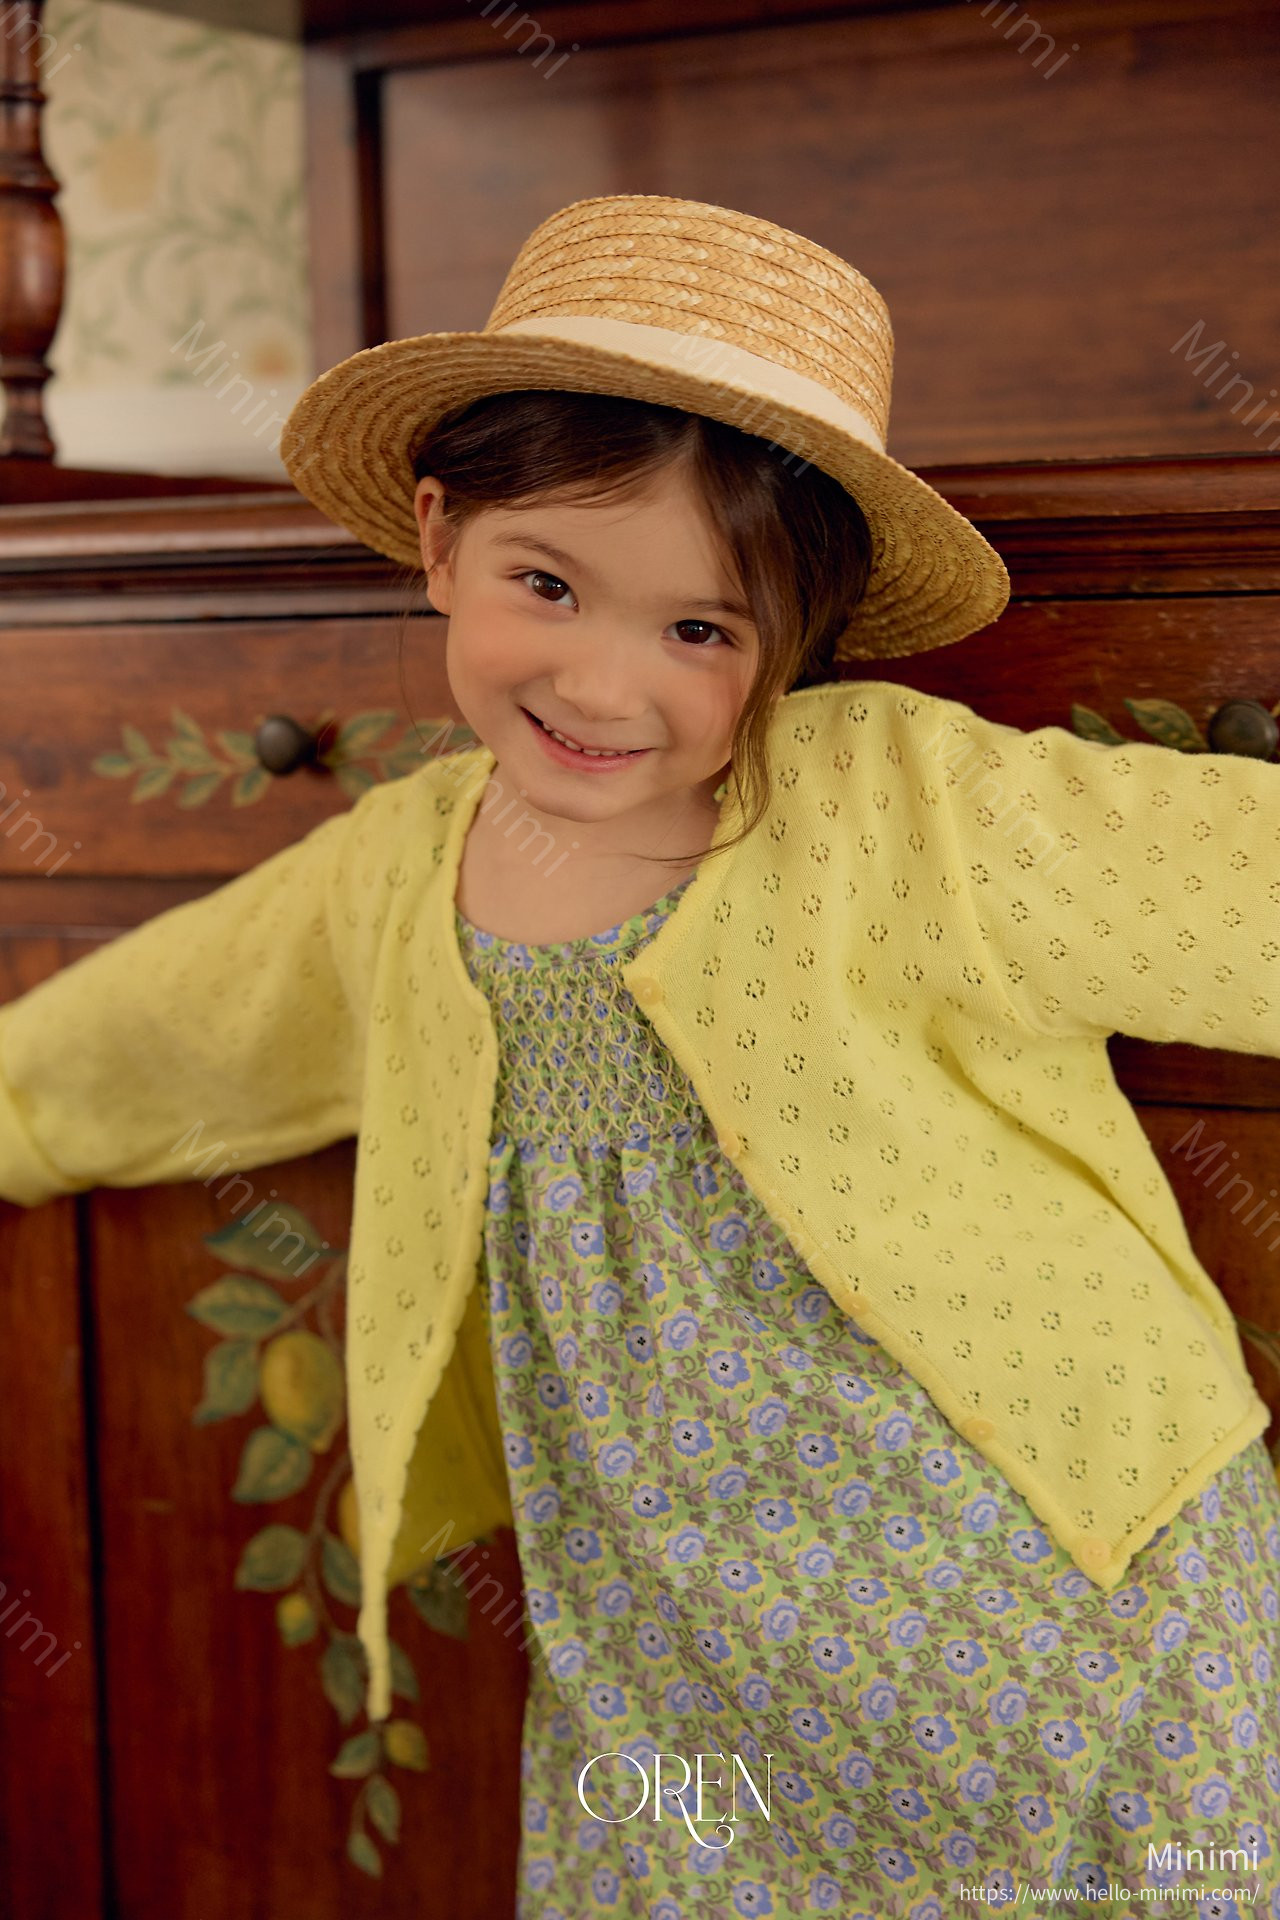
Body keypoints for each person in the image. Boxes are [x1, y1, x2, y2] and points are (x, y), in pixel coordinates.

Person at [2, 194, 1279, 1916]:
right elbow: (167, 1028)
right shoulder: (401, 870)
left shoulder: (907, 803)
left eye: (702, 630)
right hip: (678, 1656)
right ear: (441, 537)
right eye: (548, 585)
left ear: (794, 637)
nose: (604, 686)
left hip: (1069, 1609)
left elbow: (1233, 884)